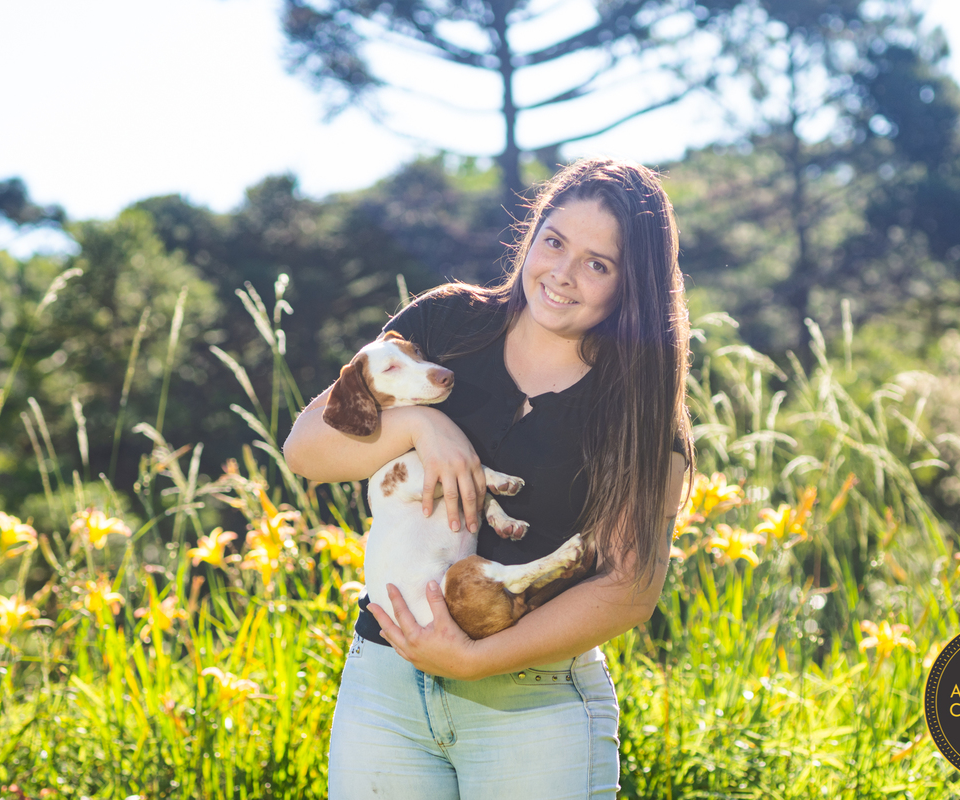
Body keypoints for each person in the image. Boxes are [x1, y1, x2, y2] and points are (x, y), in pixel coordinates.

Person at [283, 157, 693, 799]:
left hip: (533, 704)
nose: (561, 273)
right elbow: (305, 450)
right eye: (553, 241)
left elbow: (629, 587)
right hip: (383, 687)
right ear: (532, 234)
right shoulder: (445, 325)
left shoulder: (637, 406)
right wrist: (423, 427)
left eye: (598, 263)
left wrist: (474, 660)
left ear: (630, 285)